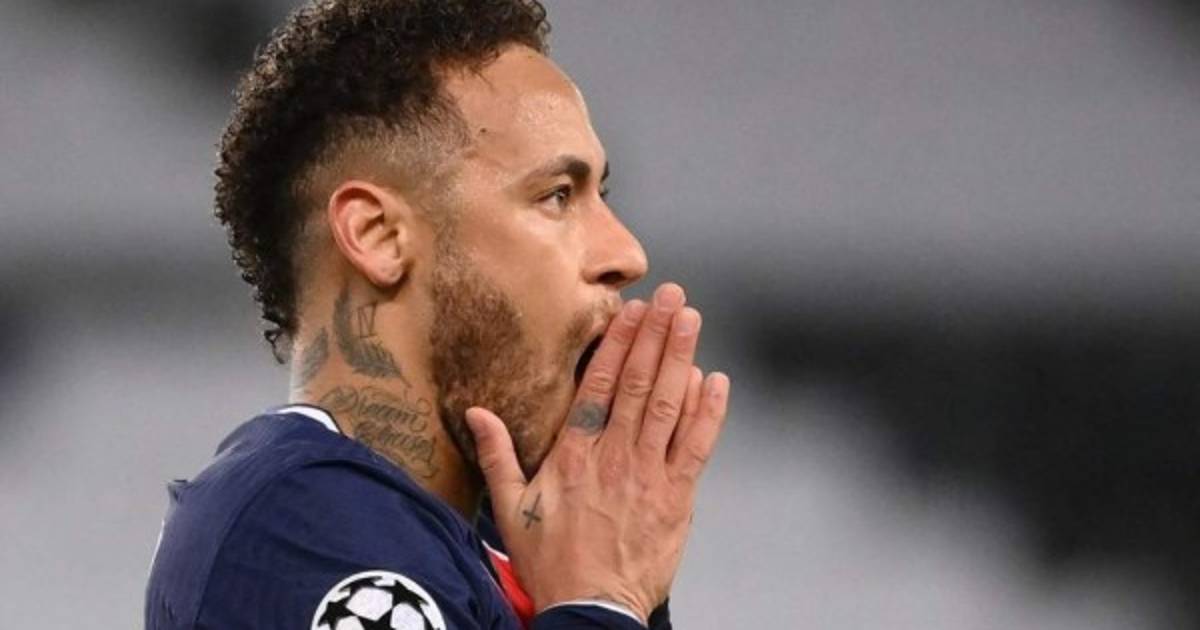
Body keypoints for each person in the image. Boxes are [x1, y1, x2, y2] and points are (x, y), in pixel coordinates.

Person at [144, 1, 731, 628]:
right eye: (558, 195)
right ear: (377, 235)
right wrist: (602, 603)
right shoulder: (297, 525)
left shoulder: (513, 553)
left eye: (601, 195)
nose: (627, 253)